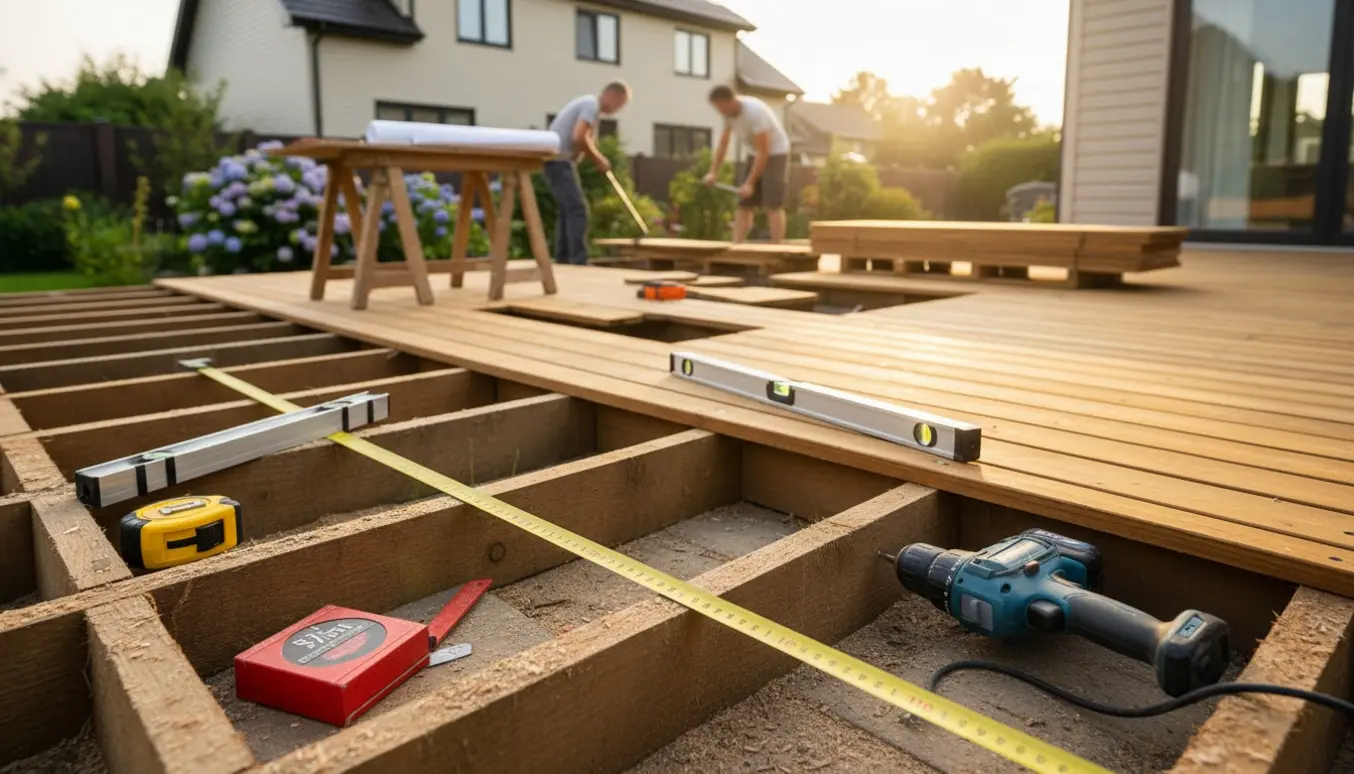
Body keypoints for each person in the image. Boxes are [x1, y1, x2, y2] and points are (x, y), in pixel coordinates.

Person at [543, 81, 631, 264]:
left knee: (567, 210)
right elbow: (579, 137)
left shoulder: (588, 105)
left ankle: (564, 258)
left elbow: (581, 139)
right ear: (611, 95)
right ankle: (578, 260)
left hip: (555, 160)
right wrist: (598, 159)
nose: (618, 109)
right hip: (559, 160)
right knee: (577, 210)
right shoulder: (591, 105)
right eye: (620, 103)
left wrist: (585, 157)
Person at [704, 85, 791, 243]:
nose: (719, 111)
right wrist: (713, 172)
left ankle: (777, 247)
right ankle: (736, 245)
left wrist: (750, 183)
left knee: (772, 204)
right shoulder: (728, 115)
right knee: (744, 204)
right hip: (755, 152)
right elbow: (723, 144)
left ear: (730, 101)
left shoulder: (755, 112)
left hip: (776, 152)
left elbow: (764, 151)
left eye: (720, 107)